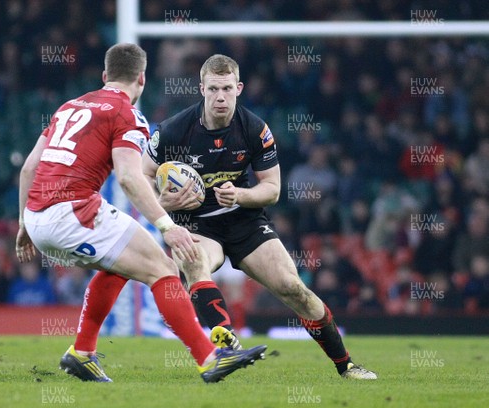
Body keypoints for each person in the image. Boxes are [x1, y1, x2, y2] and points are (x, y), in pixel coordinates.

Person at [80, 54, 376, 379]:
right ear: (202, 89)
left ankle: (346, 366)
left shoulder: (254, 129)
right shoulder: (174, 130)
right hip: (197, 223)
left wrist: (241, 195)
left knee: (294, 288)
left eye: (226, 89)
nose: (220, 97)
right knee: (195, 262)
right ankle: (224, 337)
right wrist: (164, 198)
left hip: (245, 222)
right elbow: (143, 176)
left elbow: (273, 189)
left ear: (239, 88)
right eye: (213, 89)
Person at [15, 44, 266, 383]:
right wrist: (166, 226)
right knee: (162, 268)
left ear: (105, 77)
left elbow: (29, 168)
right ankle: (209, 358)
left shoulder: (68, 107)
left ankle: (81, 353)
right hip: (72, 213)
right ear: (142, 80)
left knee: (121, 263)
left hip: (36, 215)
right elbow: (130, 176)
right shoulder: (127, 114)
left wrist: (22, 223)